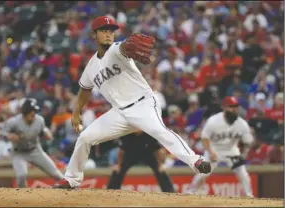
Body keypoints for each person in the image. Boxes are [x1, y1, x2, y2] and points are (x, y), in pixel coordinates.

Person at [54, 16, 211, 189]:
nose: (108, 34)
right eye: (103, 30)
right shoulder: (91, 66)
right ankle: (71, 179)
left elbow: (123, 47)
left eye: (111, 31)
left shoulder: (115, 50)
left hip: (143, 104)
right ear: (93, 34)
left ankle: (196, 161)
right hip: (119, 113)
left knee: (159, 131)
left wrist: (128, 45)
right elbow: (85, 90)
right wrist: (76, 113)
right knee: (85, 137)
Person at [186, 96, 254, 197]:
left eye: (236, 106)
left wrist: (243, 155)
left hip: (232, 151)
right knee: (203, 172)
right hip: (214, 149)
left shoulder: (242, 124)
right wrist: (210, 152)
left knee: (243, 174)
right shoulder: (214, 120)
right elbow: (204, 138)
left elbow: (248, 142)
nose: (234, 109)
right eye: (231, 106)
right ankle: (190, 193)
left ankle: (249, 196)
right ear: (224, 107)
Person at [0, 98, 64, 187]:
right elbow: (0, 132)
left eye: (35, 110)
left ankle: (72, 193)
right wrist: (8, 136)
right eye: (31, 111)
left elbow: (44, 131)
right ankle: (23, 196)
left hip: (35, 150)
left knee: (56, 173)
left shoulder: (39, 120)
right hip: (18, 152)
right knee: (21, 175)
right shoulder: (14, 122)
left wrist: (47, 134)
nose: (33, 113)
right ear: (25, 111)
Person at [106, 131, 175, 193]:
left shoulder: (150, 132)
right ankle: (111, 192)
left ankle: (170, 192)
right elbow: (121, 152)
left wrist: (160, 165)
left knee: (161, 171)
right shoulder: (127, 134)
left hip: (148, 155)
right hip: (130, 155)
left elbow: (158, 150)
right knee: (118, 170)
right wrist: (118, 165)